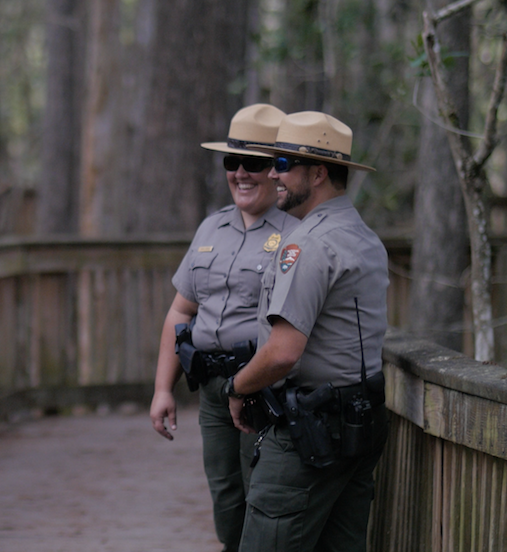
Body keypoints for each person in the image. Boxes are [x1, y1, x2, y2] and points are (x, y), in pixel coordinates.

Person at [225, 111, 389, 551]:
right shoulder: (363, 235)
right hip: (362, 420)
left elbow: (282, 353)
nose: (275, 174)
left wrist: (237, 387)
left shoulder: (307, 244)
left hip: (310, 433)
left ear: (317, 173)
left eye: (283, 164)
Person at [149, 103, 298, 552]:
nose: (241, 174)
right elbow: (180, 312)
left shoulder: (296, 233)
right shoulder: (211, 227)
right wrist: (162, 389)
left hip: (262, 387)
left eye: (253, 163)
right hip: (212, 387)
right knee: (225, 494)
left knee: (262, 493)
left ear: (278, 169)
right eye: (232, 162)